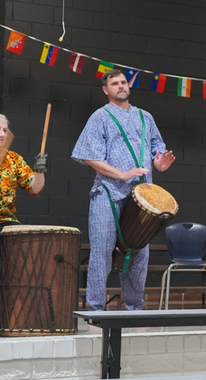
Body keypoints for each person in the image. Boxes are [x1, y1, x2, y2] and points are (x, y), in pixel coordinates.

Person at [72, 69, 176, 311]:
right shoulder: (100, 116)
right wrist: (121, 174)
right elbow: (88, 156)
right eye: (115, 83)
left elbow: (157, 153)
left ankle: (135, 309)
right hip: (108, 193)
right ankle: (95, 310)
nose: (120, 86)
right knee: (102, 253)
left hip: (141, 198)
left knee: (139, 255)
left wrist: (160, 163)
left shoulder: (145, 118)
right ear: (106, 90)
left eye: (123, 82)